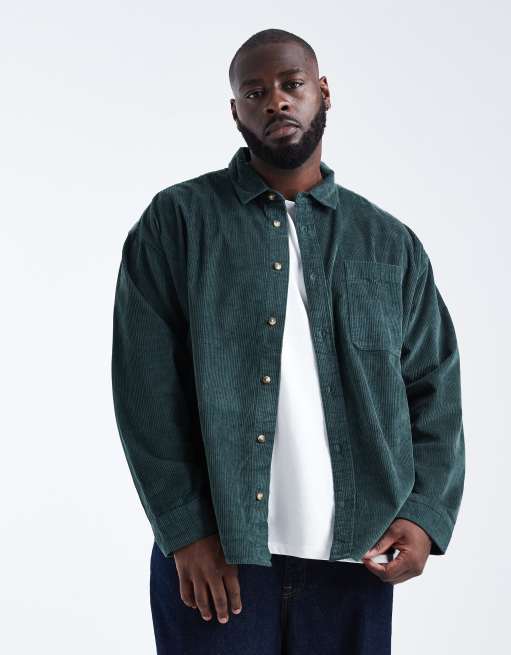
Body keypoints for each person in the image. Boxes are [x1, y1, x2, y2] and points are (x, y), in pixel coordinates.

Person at [111, 28, 465, 655]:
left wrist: (423, 514)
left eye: (291, 84)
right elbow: (145, 389)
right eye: (254, 92)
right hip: (218, 556)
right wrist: (186, 531)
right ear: (235, 112)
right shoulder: (178, 222)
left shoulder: (389, 243)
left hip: (355, 561)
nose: (275, 100)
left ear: (322, 91)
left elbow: (434, 386)